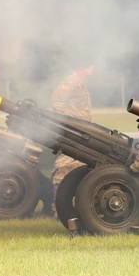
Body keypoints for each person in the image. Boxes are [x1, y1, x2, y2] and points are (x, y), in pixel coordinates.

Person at [49, 66, 94, 213]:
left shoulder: (80, 83)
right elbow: (56, 103)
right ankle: (58, 209)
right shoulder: (70, 82)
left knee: (78, 167)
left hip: (82, 133)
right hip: (72, 133)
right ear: (83, 66)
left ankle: (71, 207)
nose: (93, 69)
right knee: (63, 167)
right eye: (90, 65)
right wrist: (73, 120)